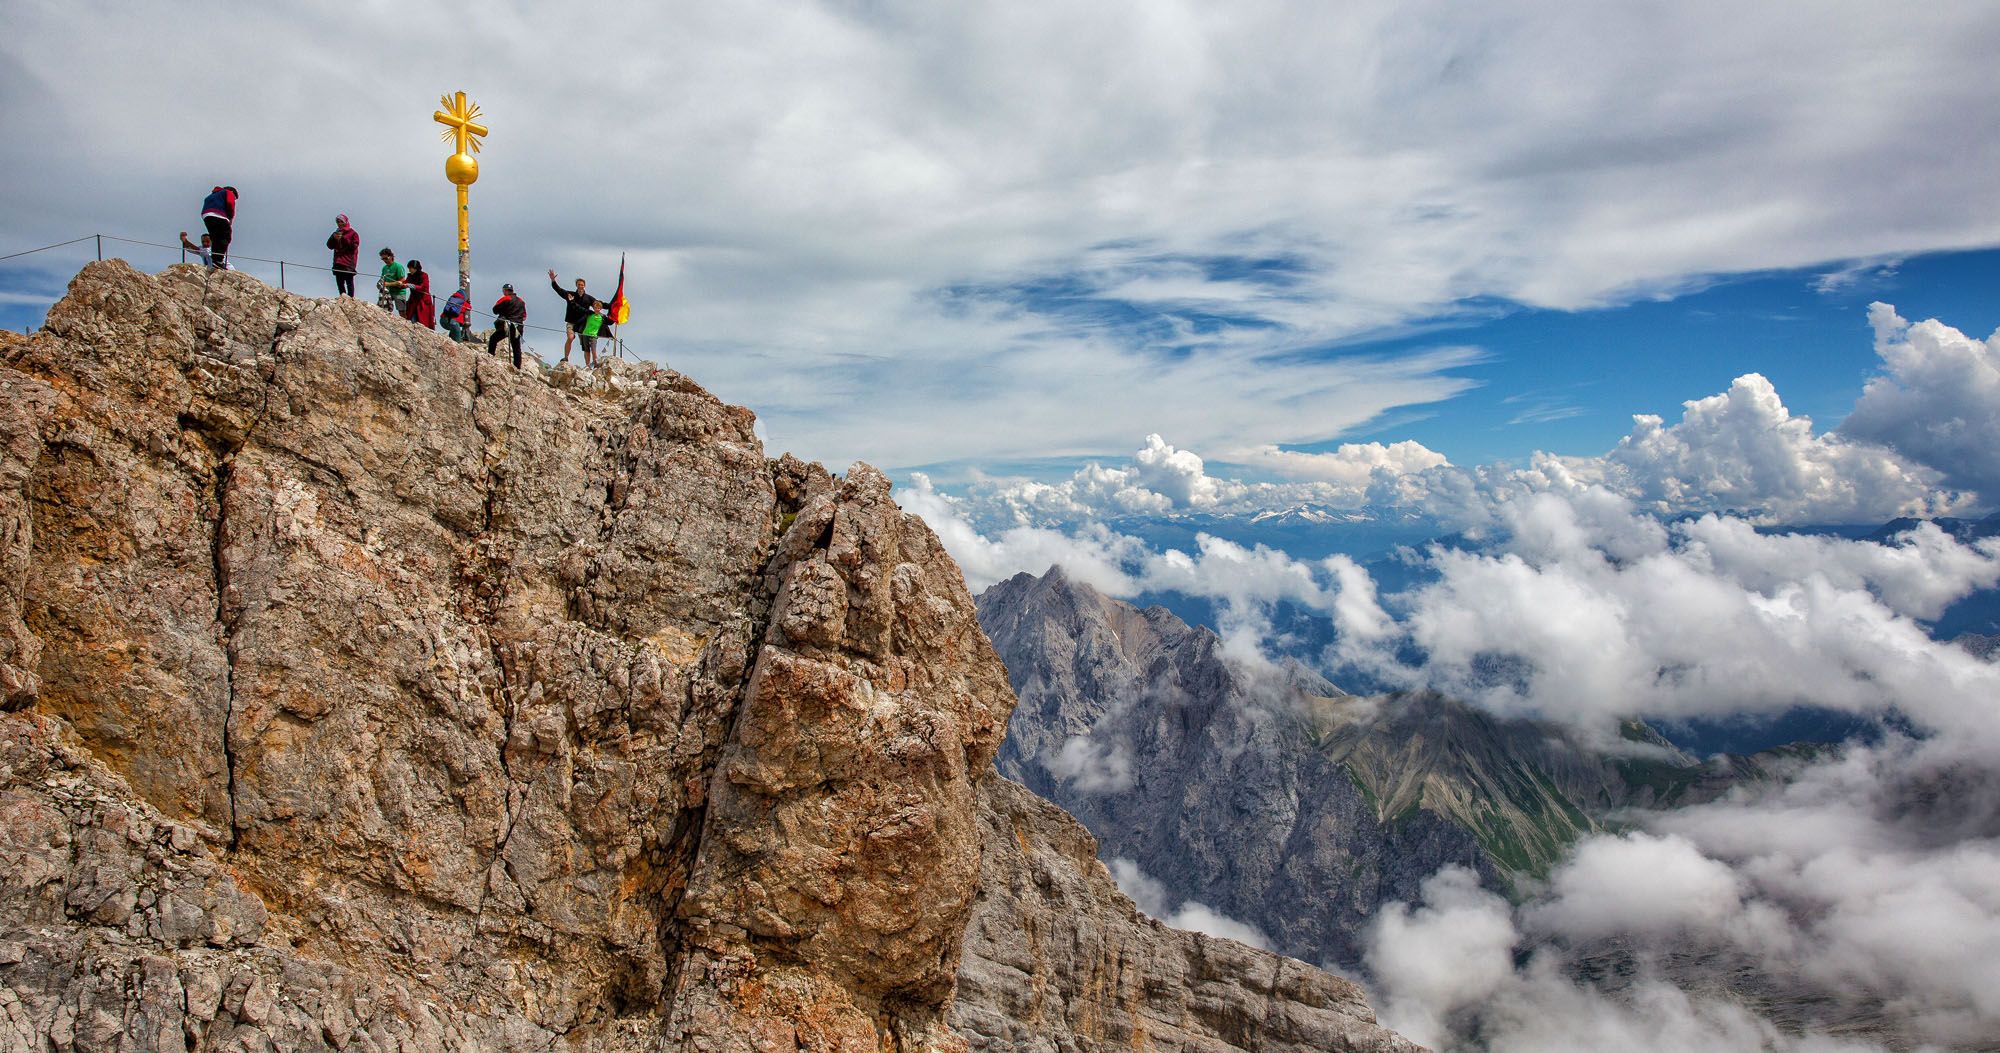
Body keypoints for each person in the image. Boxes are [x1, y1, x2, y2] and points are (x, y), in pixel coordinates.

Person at [548, 270, 604, 366]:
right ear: (576, 285)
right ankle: (566, 357)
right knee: (570, 337)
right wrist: (553, 280)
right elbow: (559, 290)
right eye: (579, 284)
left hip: (583, 324)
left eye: (582, 284)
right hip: (571, 322)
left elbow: (598, 304)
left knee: (585, 346)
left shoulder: (588, 298)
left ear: (584, 286)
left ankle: (587, 365)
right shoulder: (570, 295)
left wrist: (612, 307)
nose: (580, 286)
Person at [489, 283, 527, 368]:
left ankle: (490, 357)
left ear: (505, 290)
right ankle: (517, 367)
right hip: (519, 326)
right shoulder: (521, 301)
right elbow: (524, 316)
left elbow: (495, 310)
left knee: (493, 339)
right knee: (516, 347)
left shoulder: (505, 299)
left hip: (508, 325)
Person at [200, 186, 236, 269]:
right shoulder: (228, 192)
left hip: (206, 216)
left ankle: (215, 261)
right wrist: (230, 217)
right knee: (225, 237)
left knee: (215, 238)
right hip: (219, 215)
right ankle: (218, 260)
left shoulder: (211, 196)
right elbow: (230, 203)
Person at [327, 215, 360, 297]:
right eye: (338, 222)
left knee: (349, 281)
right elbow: (329, 246)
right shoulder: (336, 233)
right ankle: (342, 297)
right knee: (339, 281)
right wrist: (333, 238)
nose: (339, 223)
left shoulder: (353, 233)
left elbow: (354, 246)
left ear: (346, 222)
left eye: (341, 221)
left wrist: (344, 238)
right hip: (338, 261)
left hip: (348, 261)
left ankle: (351, 299)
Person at [402, 260, 436, 329]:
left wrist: (410, 285)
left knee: (423, 322)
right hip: (414, 301)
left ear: (415, 268)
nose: (409, 270)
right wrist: (400, 284)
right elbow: (405, 283)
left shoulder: (424, 276)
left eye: (410, 268)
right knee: (412, 319)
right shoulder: (410, 276)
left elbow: (424, 288)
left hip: (423, 302)